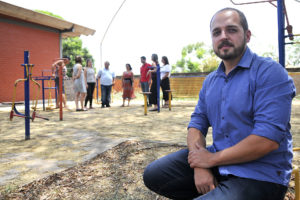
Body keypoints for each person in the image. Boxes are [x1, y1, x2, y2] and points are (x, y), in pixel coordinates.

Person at [143, 7, 295, 200]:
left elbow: (267, 139)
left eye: (231, 30)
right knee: (154, 174)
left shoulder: (270, 73)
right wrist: (200, 165)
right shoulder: (211, 81)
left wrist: (211, 159)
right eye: (217, 32)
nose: (223, 36)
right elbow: (196, 125)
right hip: (218, 163)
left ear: (247, 36)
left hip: (261, 175)